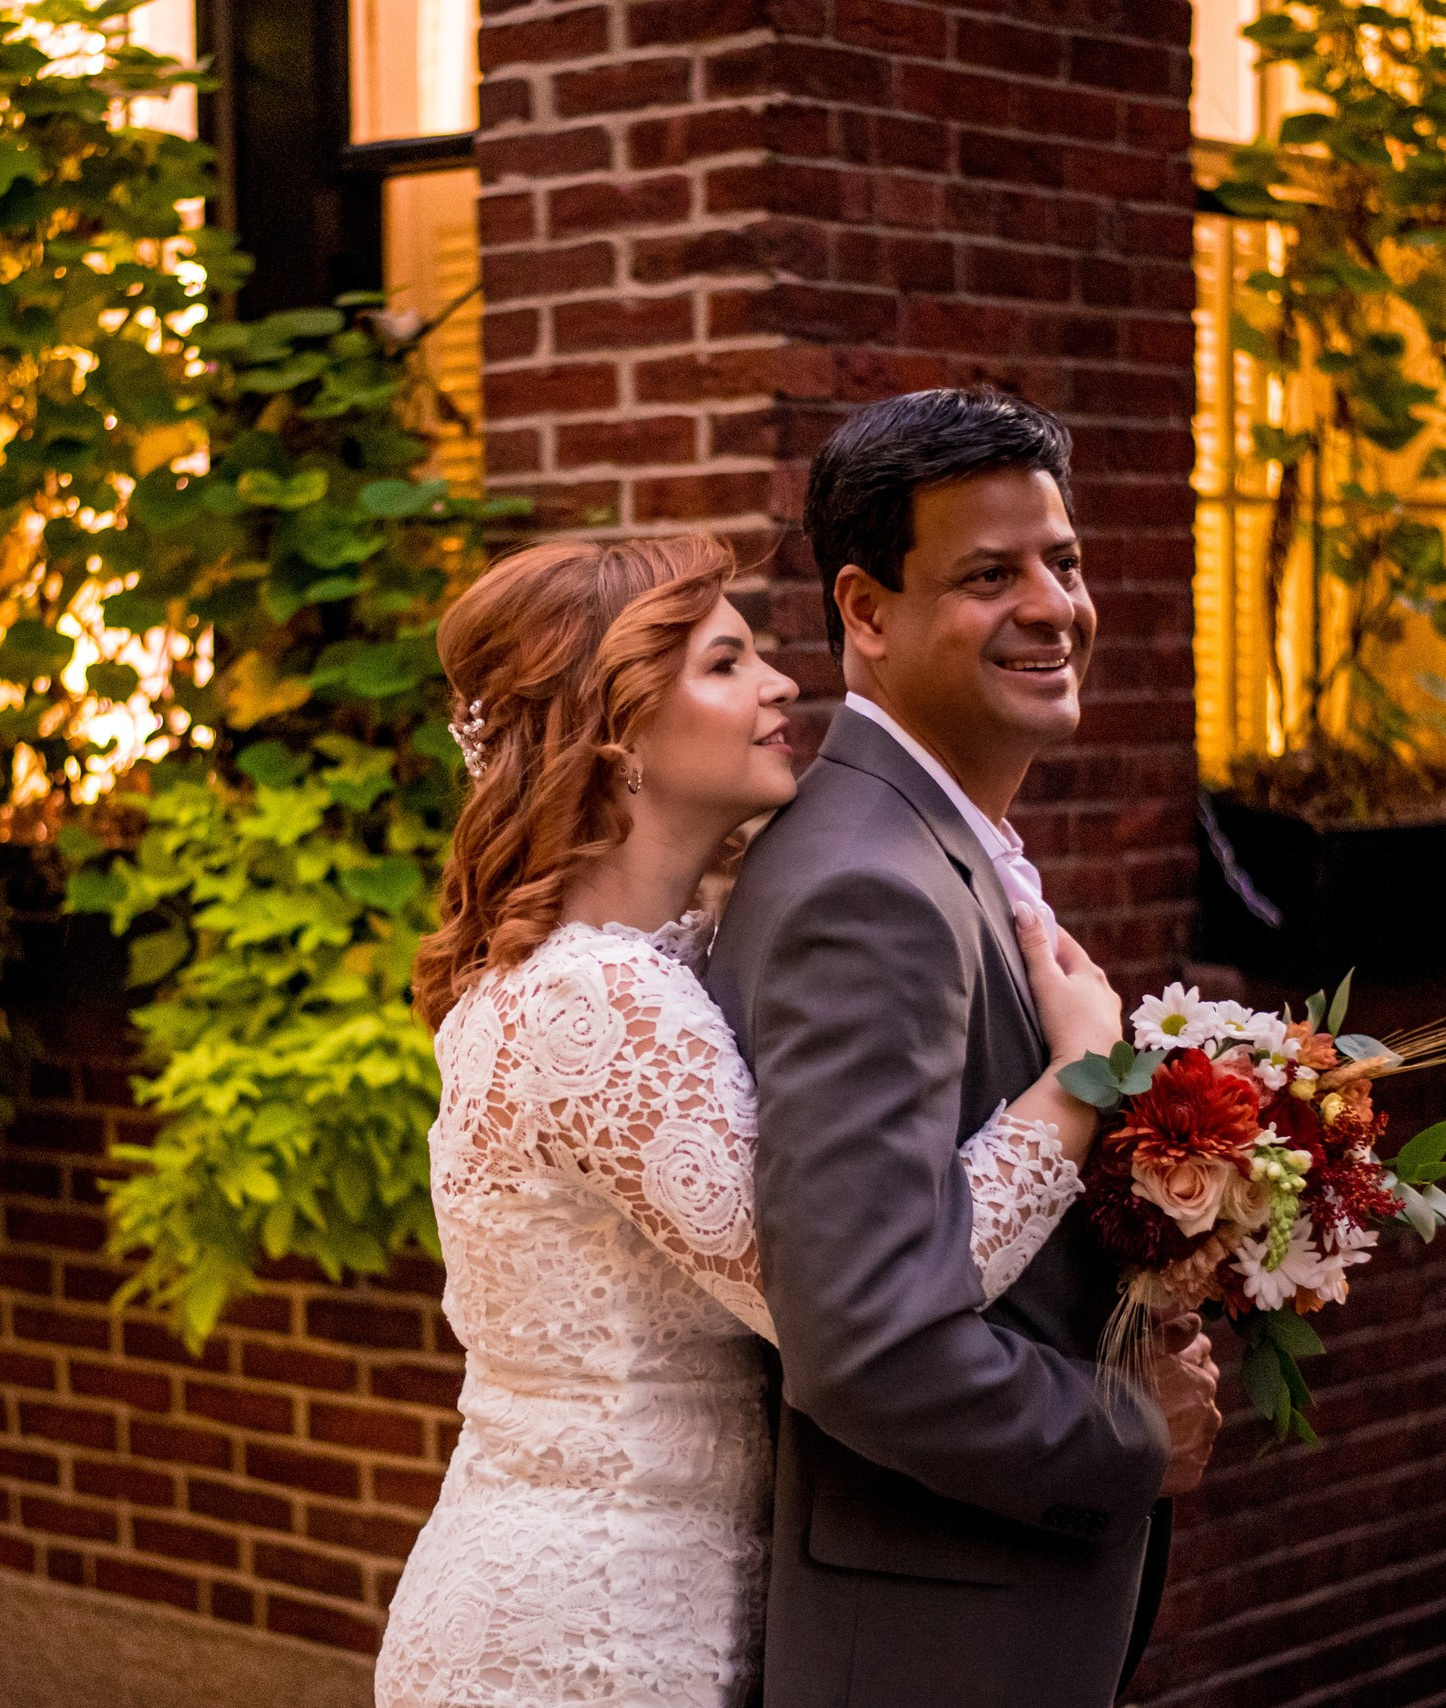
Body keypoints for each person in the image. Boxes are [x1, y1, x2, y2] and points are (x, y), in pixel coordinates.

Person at [375, 534, 1131, 1708]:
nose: (783, 683)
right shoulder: (593, 1004)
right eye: (726, 663)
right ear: (614, 736)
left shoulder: (662, 965)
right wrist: (1078, 1080)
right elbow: (848, 1299)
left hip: (675, 1601)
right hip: (589, 1635)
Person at [705, 387, 1222, 1708]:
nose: (1055, 607)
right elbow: (869, 1345)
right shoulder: (864, 889)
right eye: (991, 575)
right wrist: (1126, 1431)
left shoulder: (928, 847)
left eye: (1065, 560)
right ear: (867, 613)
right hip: (931, 1648)